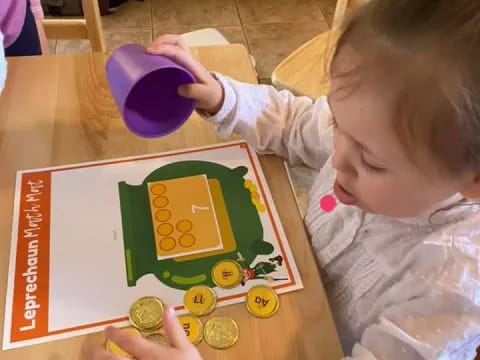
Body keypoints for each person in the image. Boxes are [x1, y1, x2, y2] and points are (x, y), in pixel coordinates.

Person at [84, 0, 480, 358]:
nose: (337, 158)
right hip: (281, 292)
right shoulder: (373, 131)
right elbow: (298, 121)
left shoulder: (452, 290)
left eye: (372, 163)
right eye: (339, 123)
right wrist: (223, 98)